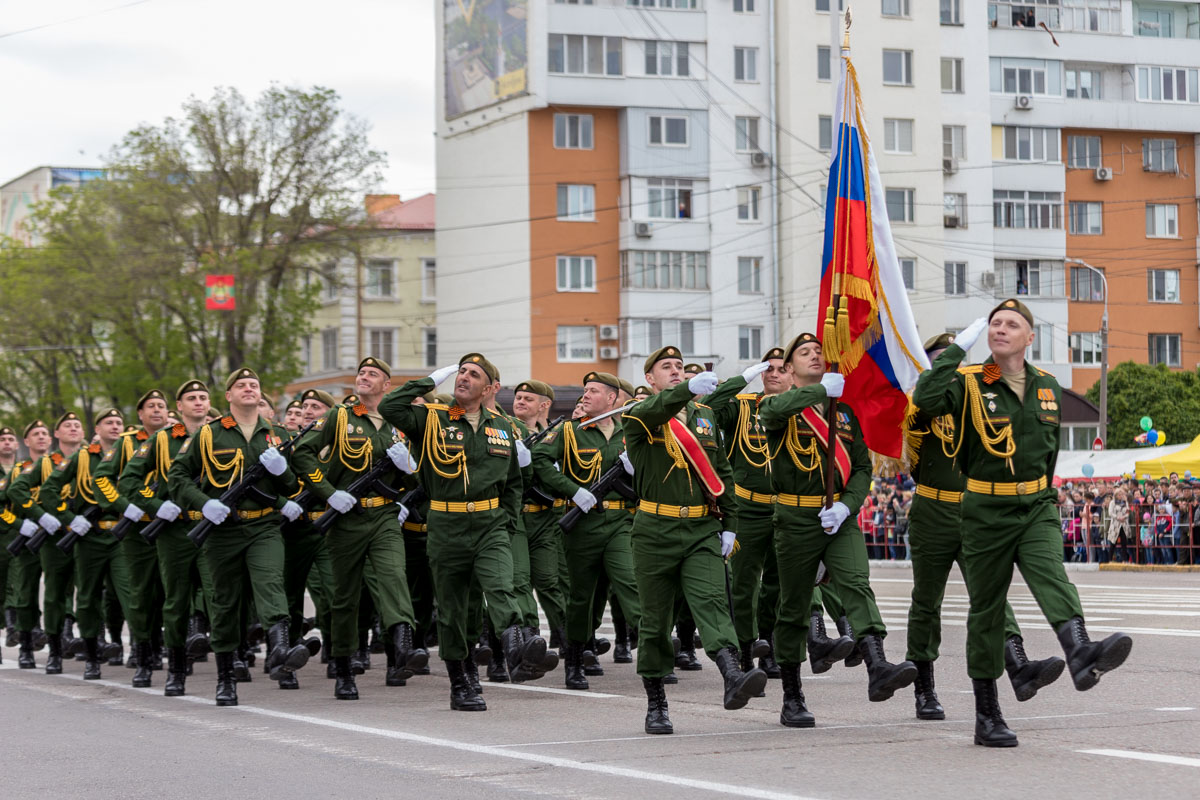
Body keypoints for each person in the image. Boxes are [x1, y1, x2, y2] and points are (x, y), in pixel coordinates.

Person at [913, 298, 1133, 747]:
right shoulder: (969, 383)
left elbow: (1047, 452)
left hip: (1035, 505)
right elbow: (926, 398)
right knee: (987, 610)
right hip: (985, 510)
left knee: (1051, 572)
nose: (1000, 329)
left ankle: (1080, 651)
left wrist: (1043, 495)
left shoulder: (1048, 386)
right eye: (995, 323)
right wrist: (956, 351)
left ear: (1030, 337)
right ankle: (987, 714)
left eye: (1011, 324)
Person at [759, 333, 915, 728]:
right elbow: (774, 412)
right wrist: (819, 393)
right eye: (804, 353)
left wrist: (847, 505)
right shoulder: (778, 406)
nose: (815, 355)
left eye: (818, 351)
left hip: (838, 517)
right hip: (795, 518)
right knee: (794, 606)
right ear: (789, 368)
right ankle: (792, 696)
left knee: (856, 583)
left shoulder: (842, 412)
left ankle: (878, 666)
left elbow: (861, 467)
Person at [905, 332, 1063, 723]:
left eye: (955, 358)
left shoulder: (979, 398)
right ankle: (924, 687)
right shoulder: (920, 401)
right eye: (942, 359)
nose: (952, 365)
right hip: (933, 510)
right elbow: (924, 408)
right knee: (927, 602)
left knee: (991, 594)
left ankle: (1019, 665)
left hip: (977, 510)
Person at [379, 353, 550, 711]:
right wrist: (429, 381)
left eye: (473, 374)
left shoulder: (503, 427)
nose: (464, 377)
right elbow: (390, 407)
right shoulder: (432, 419)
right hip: (446, 525)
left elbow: (514, 483)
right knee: (455, 610)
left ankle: (517, 651)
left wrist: (507, 521)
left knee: (501, 585)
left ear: (488, 389)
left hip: (490, 524)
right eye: (461, 372)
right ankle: (462, 680)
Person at [623, 346, 766, 735]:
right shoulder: (639, 415)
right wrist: (686, 390)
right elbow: (657, 409)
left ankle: (732, 674)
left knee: (712, 601)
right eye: (665, 367)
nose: (675, 370)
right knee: (655, 621)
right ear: (649, 378)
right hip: (655, 530)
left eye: (679, 366)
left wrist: (730, 523)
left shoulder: (704, 417)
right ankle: (656, 703)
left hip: (702, 527)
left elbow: (723, 472)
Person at [167, 367, 313, 706]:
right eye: (241, 385)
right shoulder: (209, 434)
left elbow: (294, 486)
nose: (249, 388)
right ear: (229, 395)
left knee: (271, 583)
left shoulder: (276, 434)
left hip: (264, 526)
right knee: (224, 603)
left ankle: (280, 649)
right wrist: (204, 504)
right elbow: (178, 476)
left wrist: (283, 471)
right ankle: (225, 678)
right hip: (222, 532)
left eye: (254, 385)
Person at [291, 357, 428, 699]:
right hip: (346, 518)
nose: (364, 377)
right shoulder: (340, 416)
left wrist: (409, 467)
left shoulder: (399, 424)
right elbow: (303, 453)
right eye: (361, 373)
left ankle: (402, 644)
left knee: (393, 577)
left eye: (372, 374)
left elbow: (419, 479)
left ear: (387, 386)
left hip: (384, 515)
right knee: (345, 596)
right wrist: (329, 493)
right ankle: (343, 666)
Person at [532, 371, 641, 691]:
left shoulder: (629, 432)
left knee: (630, 581)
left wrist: (638, 467)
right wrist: (572, 490)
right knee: (581, 597)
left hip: (620, 521)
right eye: (585, 390)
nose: (585, 395)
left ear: (612, 398)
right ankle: (575, 660)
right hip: (583, 523)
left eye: (593, 391)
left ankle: (653, 643)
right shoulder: (570, 430)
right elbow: (540, 460)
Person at [117, 380, 215, 696]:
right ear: (180, 407)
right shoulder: (162, 440)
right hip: (175, 531)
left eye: (203, 397)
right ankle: (170, 667)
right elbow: (129, 480)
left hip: (214, 529)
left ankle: (229, 667)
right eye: (191, 398)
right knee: (174, 601)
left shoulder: (221, 435)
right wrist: (156, 505)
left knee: (220, 597)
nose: (198, 402)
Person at [703, 347, 790, 678]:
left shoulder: (800, 410)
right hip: (748, 509)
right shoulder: (742, 407)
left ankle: (770, 647)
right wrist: (740, 380)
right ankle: (744, 651)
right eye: (769, 369)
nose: (774, 374)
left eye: (782, 369)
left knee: (778, 586)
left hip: (786, 509)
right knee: (743, 586)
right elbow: (707, 409)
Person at [41, 408, 133, 680]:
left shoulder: (131, 455)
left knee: (130, 593)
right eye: (109, 422)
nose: (115, 426)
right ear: (97, 429)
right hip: (88, 536)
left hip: (120, 536)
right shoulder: (82, 457)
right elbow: (48, 490)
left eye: (119, 422)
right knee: (85, 597)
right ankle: (87, 655)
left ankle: (142, 651)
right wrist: (69, 518)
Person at [93, 390, 171, 684]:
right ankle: (142, 650)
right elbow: (102, 478)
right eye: (150, 406)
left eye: (161, 406)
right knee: (140, 593)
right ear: (140, 414)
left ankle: (164, 645)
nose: (156, 410)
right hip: (138, 529)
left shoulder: (178, 439)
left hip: (172, 526)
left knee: (169, 592)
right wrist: (124, 506)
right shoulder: (126, 442)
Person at [8, 413, 86, 675]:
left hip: (77, 534)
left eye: (77, 426)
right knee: (29, 591)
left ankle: (72, 638)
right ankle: (27, 644)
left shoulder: (89, 459)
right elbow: (14, 493)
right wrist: (32, 519)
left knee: (78, 591)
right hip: (39, 536)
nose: (73, 429)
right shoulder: (41, 465)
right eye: (67, 425)